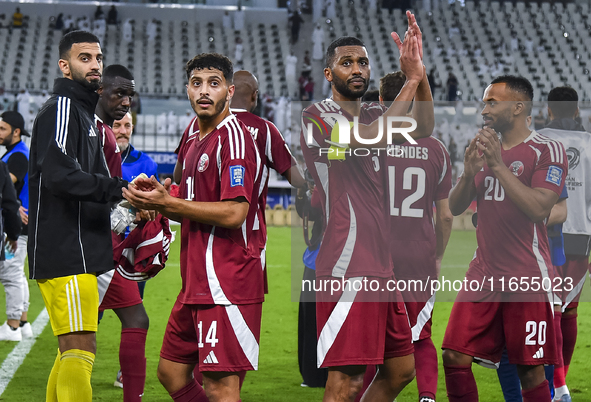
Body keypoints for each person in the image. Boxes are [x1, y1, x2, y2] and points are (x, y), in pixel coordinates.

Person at [300, 11, 432, 402]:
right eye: (346, 63)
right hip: (347, 264)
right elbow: (368, 141)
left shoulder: (376, 112)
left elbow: (423, 128)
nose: (357, 69)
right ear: (328, 74)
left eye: (362, 62)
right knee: (347, 380)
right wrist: (409, 81)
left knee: (401, 370)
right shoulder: (317, 117)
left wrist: (419, 73)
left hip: (380, 265)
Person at [123, 53, 263, 402]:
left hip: (227, 282)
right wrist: (157, 197)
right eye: (197, 83)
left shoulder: (235, 139)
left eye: (213, 84)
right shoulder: (193, 135)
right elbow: (188, 199)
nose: (204, 91)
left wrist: (168, 203)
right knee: (170, 372)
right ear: (187, 88)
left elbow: (234, 213)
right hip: (197, 282)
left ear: (229, 92)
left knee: (221, 387)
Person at [443, 75, 568, 402]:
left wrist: (497, 166)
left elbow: (540, 208)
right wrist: (469, 173)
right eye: (484, 102)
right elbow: (456, 206)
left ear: (517, 107)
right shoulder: (483, 148)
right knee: (454, 356)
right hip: (482, 272)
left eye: (491, 102)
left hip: (526, 275)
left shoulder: (547, 149)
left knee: (530, 371)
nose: (484, 108)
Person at [28, 30, 128, 402]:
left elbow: (98, 181)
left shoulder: (85, 114)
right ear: (65, 66)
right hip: (66, 247)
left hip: (78, 248)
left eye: (98, 58)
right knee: (80, 348)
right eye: (84, 58)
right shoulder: (62, 109)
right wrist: (116, 189)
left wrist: (129, 192)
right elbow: (57, 174)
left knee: (72, 349)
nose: (95, 65)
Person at [380, 71, 453, 402]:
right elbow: (447, 215)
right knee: (420, 335)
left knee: (376, 339)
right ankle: (427, 397)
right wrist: (437, 256)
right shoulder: (437, 149)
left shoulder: (371, 142)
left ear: (382, 101)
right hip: (418, 254)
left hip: (376, 255)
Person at [94, 64, 151, 402]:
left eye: (130, 95)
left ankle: (132, 395)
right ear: (101, 91)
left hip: (111, 247)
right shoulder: (94, 133)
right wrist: (128, 198)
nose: (126, 101)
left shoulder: (101, 135)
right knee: (80, 334)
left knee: (136, 318)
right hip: (92, 245)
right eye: (120, 93)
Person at [538, 86, 591, 402]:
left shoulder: (536, 140)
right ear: (575, 111)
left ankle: (555, 385)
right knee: (568, 311)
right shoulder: (589, 144)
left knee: (551, 310)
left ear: (547, 109)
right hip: (579, 235)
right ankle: (560, 385)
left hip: (543, 231)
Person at [0, 111, 29, 342]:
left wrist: (15, 205)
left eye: (3, 129)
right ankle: (23, 322)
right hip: (21, 222)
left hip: (18, 225)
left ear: (16, 132)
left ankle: (12, 326)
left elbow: (5, 187)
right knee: (16, 272)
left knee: (12, 272)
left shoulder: (18, 156)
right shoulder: (15, 153)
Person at [115, 112, 158, 183]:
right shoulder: (96, 158)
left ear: (132, 128)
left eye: (127, 126)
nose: (123, 131)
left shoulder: (147, 163)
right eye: (117, 125)